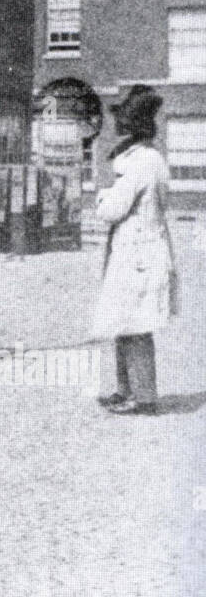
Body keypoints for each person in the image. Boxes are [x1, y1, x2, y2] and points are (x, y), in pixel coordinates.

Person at [90, 85, 177, 415]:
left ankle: (143, 398)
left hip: (138, 254)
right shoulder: (149, 159)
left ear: (132, 126)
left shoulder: (141, 163)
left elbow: (110, 209)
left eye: (122, 120)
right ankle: (127, 390)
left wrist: (102, 196)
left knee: (136, 326)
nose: (117, 125)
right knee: (125, 322)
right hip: (140, 250)